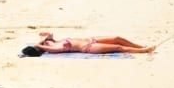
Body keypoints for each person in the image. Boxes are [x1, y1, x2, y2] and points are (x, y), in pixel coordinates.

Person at [24, 32, 155, 56]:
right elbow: (39, 44)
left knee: (117, 38)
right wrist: (40, 44)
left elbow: (49, 35)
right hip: (88, 47)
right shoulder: (52, 48)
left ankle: (140, 46)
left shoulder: (53, 42)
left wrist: (47, 38)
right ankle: (144, 51)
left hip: (91, 39)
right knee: (118, 47)